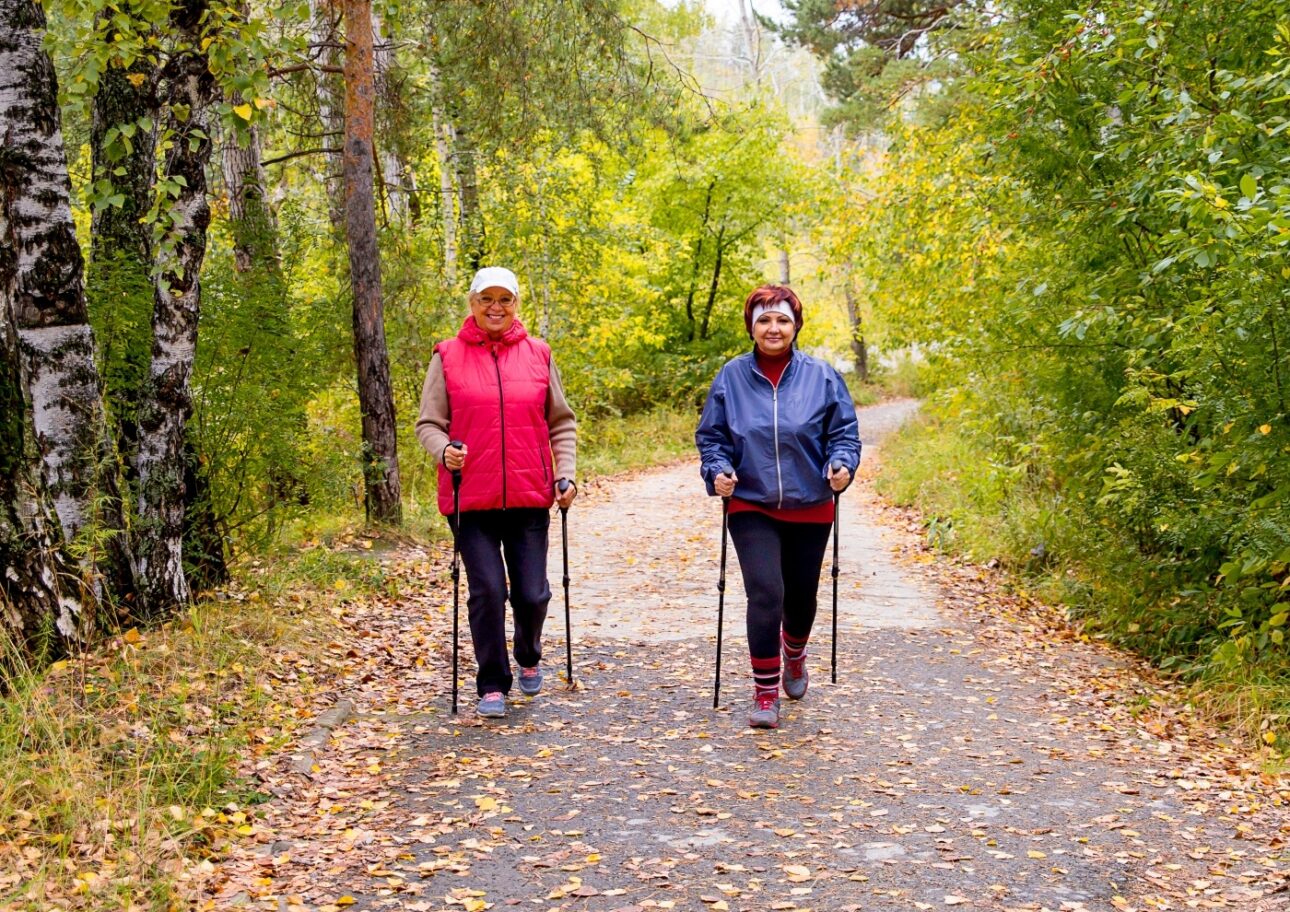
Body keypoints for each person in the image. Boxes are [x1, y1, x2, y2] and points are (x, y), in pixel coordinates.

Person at [695, 284, 861, 729]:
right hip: (751, 501)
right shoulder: (731, 376)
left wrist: (842, 463)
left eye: (782, 320)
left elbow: (844, 434)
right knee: (766, 592)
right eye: (764, 319)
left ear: (796, 325)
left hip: (811, 502)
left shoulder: (822, 376)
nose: (773, 328)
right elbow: (712, 438)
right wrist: (718, 471)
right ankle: (765, 693)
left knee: (801, 597)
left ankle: (795, 653)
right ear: (751, 326)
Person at [416, 266, 577, 719]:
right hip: (470, 498)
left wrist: (565, 475)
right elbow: (428, 423)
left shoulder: (539, 354)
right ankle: (492, 683)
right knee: (487, 590)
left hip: (529, 495)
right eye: (486, 298)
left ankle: (528, 654)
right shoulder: (447, 355)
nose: (495, 307)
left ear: (516, 304)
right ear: (472, 304)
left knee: (532, 594)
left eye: (504, 299)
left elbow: (561, 421)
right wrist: (444, 449)